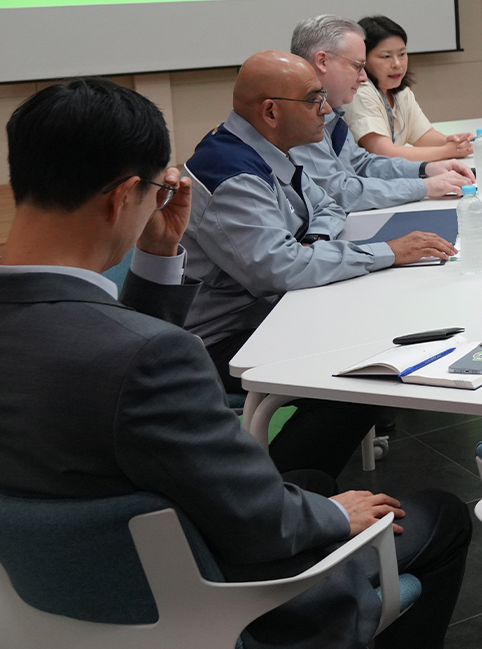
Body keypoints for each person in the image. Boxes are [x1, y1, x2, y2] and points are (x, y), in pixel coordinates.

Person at [0, 78, 470, 649]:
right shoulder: (148, 357)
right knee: (439, 516)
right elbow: (261, 519)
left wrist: (157, 257)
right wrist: (332, 516)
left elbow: (104, 366)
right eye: (157, 190)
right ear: (122, 196)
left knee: (307, 480)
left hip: (69, 582)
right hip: (207, 592)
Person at [183, 51, 458, 474]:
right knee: (359, 378)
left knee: (373, 330)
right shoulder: (231, 174)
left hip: (271, 311)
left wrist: (311, 244)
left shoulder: (267, 147)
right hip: (222, 340)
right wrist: (388, 252)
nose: (326, 110)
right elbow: (281, 270)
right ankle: (283, 490)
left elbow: (327, 206)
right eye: (314, 100)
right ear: (271, 111)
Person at [289, 15, 473, 211]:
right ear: (322, 61)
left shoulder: (331, 109)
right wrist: (424, 186)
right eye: (357, 66)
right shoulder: (298, 116)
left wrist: (425, 169)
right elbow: (338, 192)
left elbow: (360, 163)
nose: (363, 77)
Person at [346, 14, 477, 163]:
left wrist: (451, 142)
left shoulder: (401, 92)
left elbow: (423, 135)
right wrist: (448, 150)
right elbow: (385, 153)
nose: (397, 64)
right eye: (386, 57)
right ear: (363, 60)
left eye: (402, 54)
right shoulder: (359, 92)